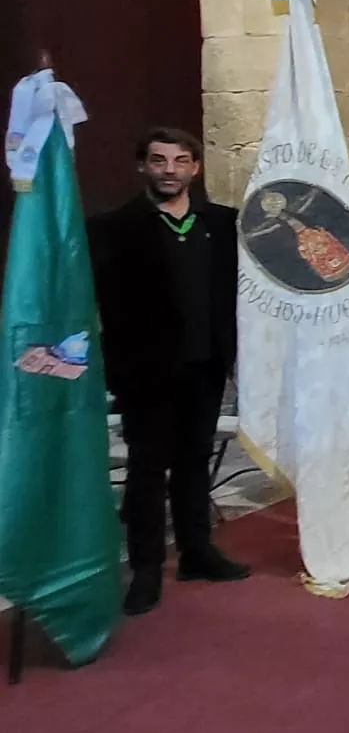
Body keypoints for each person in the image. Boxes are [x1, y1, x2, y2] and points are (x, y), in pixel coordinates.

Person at [90, 128, 248, 614]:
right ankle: (145, 569)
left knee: (194, 463)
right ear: (142, 166)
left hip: (205, 365)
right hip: (146, 372)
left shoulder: (223, 224)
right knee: (146, 471)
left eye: (181, 161)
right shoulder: (114, 227)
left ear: (195, 168)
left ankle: (197, 551)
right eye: (159, 160)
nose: (170, 170)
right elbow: (102, 306)